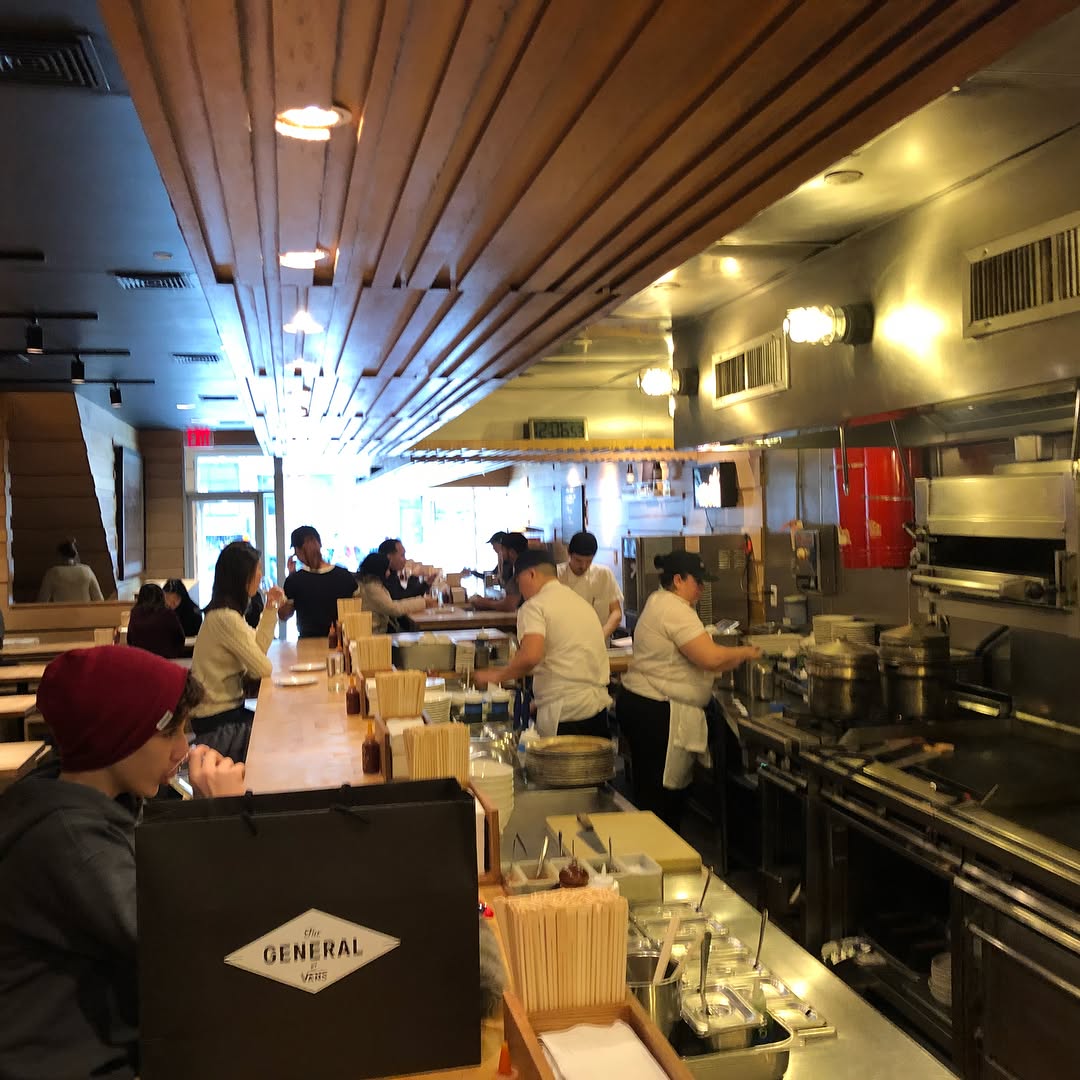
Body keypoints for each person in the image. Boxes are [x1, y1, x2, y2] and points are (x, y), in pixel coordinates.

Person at [0, 646, 246, 1080]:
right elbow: (194, 943)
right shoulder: (73, 843)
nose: (183, 748)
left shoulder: (86, 800)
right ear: (117, 736)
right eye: (170, 733)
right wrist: (223, 820)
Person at [617, 551, 761, 831]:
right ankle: (659, 852)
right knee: (661, 801)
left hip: (643, 703)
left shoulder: (660, 601)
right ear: (678, 580)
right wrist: (747, 652)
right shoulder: (674, 609)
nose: (702, 588)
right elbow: (710, 658)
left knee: (654, 796)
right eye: (698, 581)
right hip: (656, 711)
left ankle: (656, 850)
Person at [473, 549, 611, 737]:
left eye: (519, 582)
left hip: (565, 714)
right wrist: (538, 702)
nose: (520, 590)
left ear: (531, 574)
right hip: (597, 710)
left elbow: (530, 656)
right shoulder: (580, 603)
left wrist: (496, 676)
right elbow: (568, 660)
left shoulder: (534, 606)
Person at [190, 541, 286, 762]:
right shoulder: (225, 617)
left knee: (277, 726)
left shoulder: (227, 614)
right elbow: (263, 667)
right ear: (242, 576)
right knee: (278, 733)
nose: (261, 575)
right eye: (257, 569)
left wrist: (270, 607)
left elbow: (258, 649)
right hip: (217, 723)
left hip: (224, 715)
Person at [277, 525, 359, 638]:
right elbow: (357, 611)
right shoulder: (345, 576)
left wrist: (290, 581)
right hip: (339, 642)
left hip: (307, 643)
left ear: (298, 551)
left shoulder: (294, 580)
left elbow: (284, 615)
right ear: (320, 545)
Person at [557, 531, 624, 639]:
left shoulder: (603, 574)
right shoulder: (556, 575)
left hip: (598, 641)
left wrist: (600, 636)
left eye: (589, 561)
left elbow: (616, 612)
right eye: (578, 560)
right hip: (564, 641)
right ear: (569, 553)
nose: (583, 566)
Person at [356, 552, 437, 633]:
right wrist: (423, 602)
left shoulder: (366, 583)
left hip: (376, 629)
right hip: (376, 632)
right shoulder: (372, 587)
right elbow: (393, 609)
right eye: (387, 569)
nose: (388, 572)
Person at [470, 532, 529, 611]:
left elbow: (509, 605)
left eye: (502, 549)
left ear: (511, 552)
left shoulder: (522, 572)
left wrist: (486, 603)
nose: (500, 553)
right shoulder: (527, 566)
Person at [126, 583, 185, 659]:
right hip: (165, 659)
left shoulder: (135, 614)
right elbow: (180, 638)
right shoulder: (168, 614)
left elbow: (130, 640)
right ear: (161, 597)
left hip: (141, 659)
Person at [37, 538, 104, 603]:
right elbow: (99, 599)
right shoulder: (87, 570)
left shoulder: (53, 573)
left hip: (63, 610)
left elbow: (42, 601)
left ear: (59, 555)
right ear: (75, 554)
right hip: (85, 610)